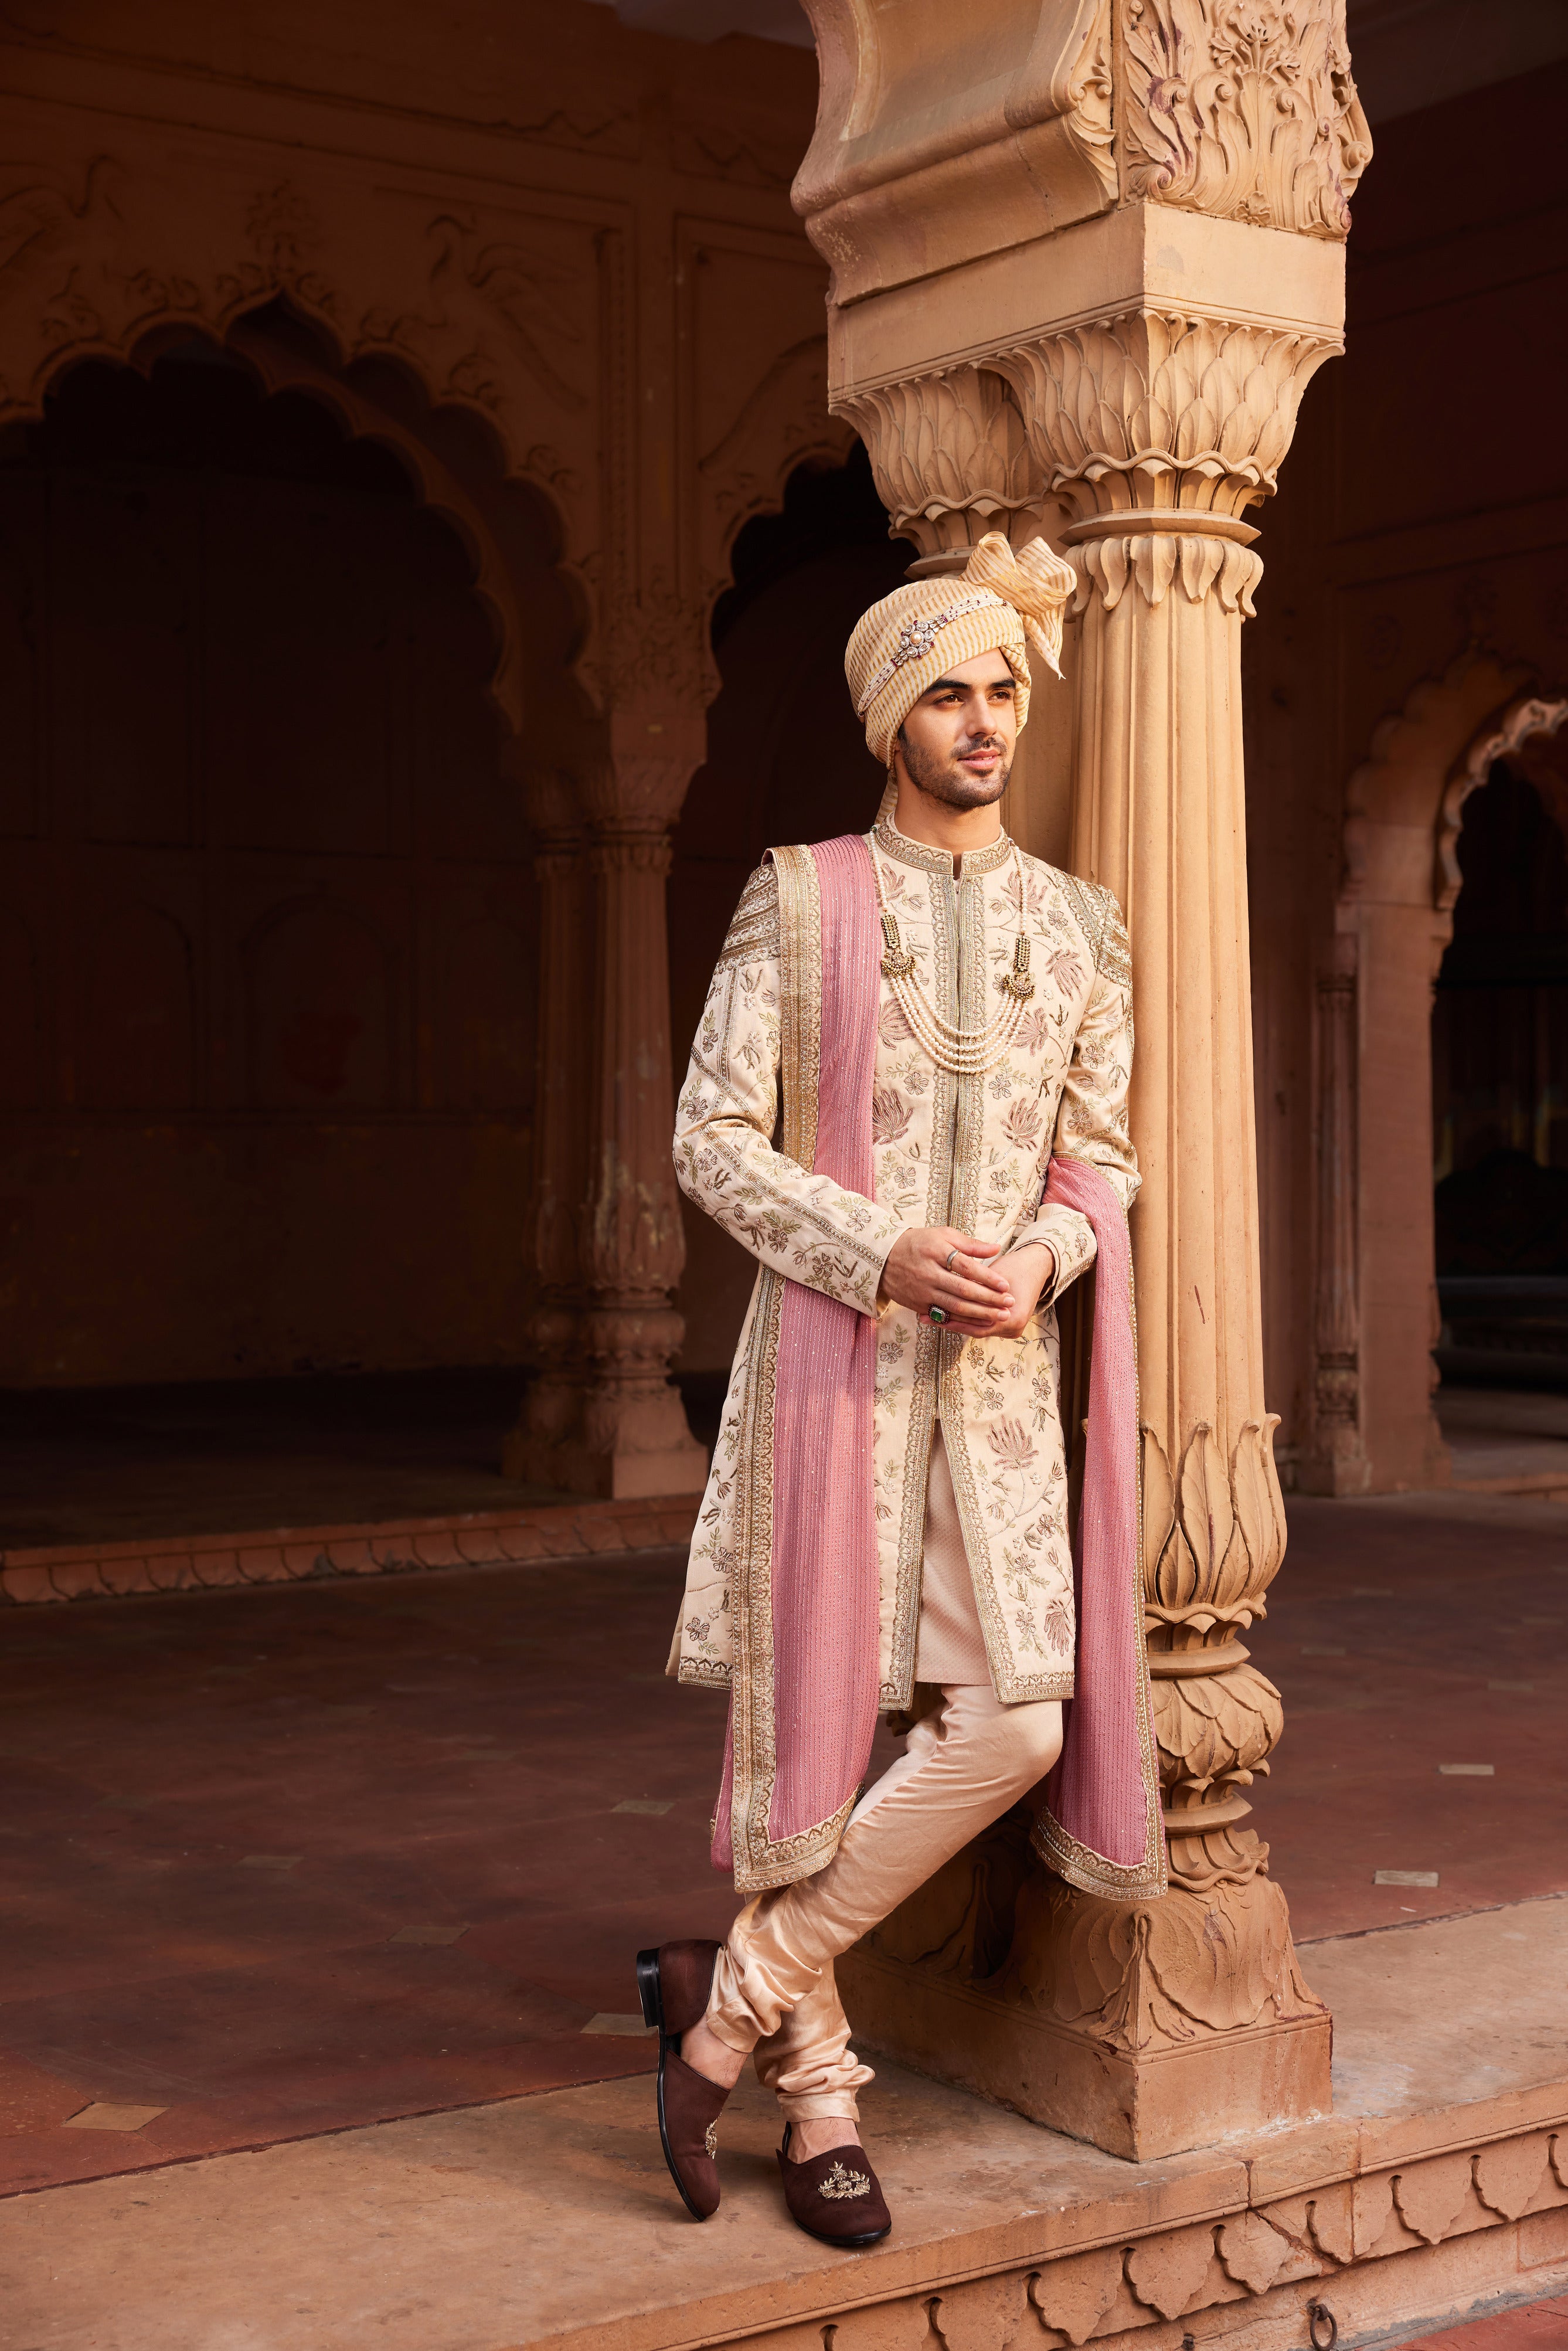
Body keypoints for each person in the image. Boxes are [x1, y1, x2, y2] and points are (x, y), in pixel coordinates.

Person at [636, 534, 1165, 2248]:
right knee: (812, 1725)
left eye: (1004, 688)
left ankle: (727, 1998)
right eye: (949, 689)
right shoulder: (799, 897)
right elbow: (709, 1135)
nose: (986, 719)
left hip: (1000, 1395)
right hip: (831, 1370)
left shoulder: (1082, 928)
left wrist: (1046, 1261)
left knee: (1012, 1720)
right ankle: (821, 2097)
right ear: (888, 718)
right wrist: (880, 1247)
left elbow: (1100, 1161)